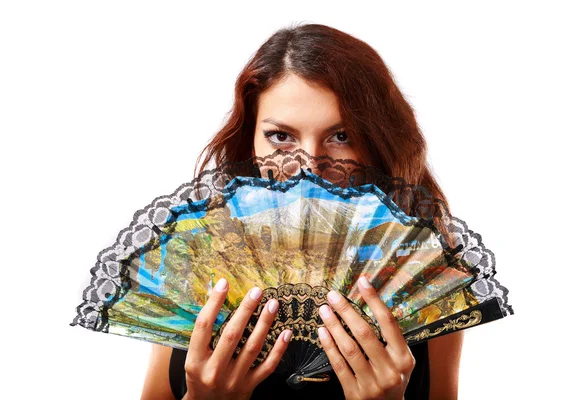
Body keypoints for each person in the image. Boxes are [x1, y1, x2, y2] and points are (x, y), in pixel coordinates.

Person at [141, 22, 464, 400]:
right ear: (251, 140)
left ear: (378, 142)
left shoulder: (424, 269)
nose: (309, 166)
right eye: (281, 136)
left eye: (341, 137)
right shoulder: (197, 255)